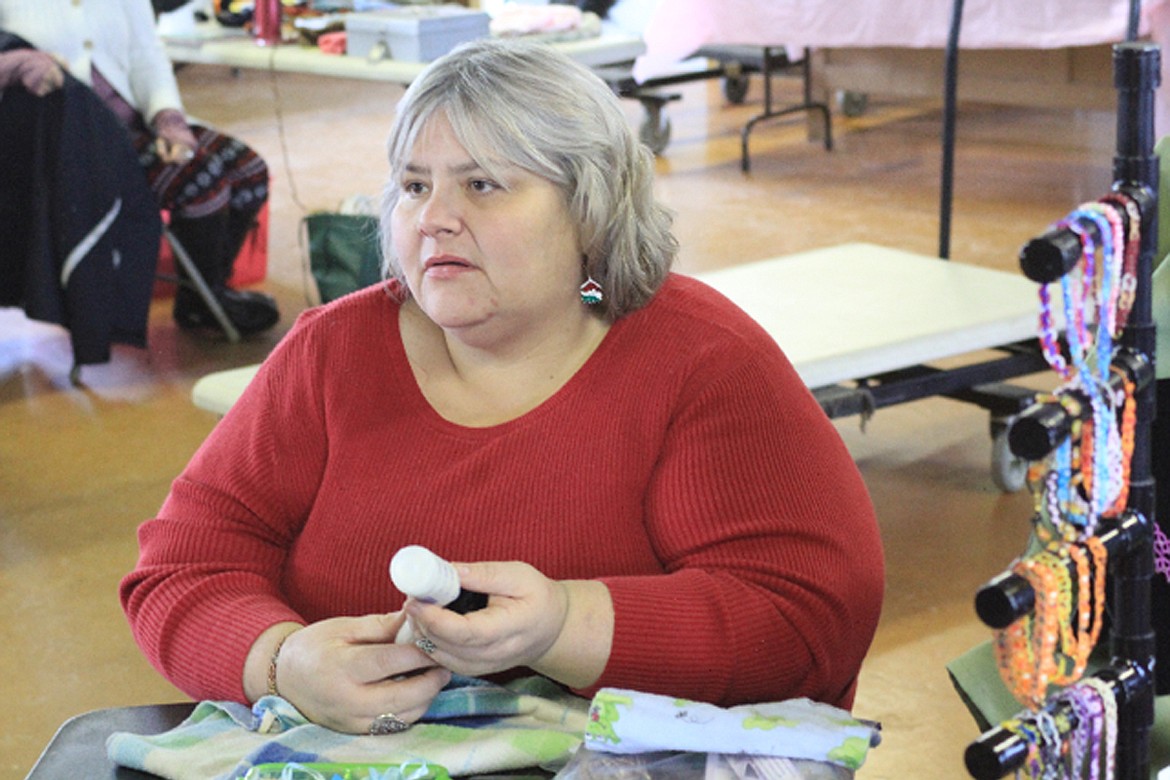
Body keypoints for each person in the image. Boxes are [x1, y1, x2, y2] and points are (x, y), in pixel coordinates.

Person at [120, 38, 884, 737]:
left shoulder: (700, 361)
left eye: (483, 185)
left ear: (590, 207)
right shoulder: (335, 350)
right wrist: (281, 663)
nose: (435, 219)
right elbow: (182, 569)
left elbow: (809, 619)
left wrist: (565, 625)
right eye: (414, 185)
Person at [0, 0, 279, 337]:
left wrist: (169, 119)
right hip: (68, 143)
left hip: (131, 122)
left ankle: (204, 294)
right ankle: (207, 302)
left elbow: (148, 56)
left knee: (248, 170)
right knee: (199, 179)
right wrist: (18, 63)